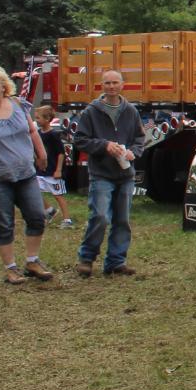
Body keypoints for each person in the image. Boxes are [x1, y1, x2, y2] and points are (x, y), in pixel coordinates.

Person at [0, 66, 52, 284]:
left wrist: (41, 152)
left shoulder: (18, 105)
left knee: (37, 216)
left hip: (25, 174)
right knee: (4, 223)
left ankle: (32, 261)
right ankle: (11, 269)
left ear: (3, 86)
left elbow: (32, 131)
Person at [74, 68, 145, 278]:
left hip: (125, 174)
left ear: (122, 85)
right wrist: (104, 146)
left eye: (115, 82)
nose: (111, 86)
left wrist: (133, 152)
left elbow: (140, 138)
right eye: (107, 83)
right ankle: (86, 258)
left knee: (122, 220)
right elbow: (80, 140)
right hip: (101, 173)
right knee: (100, 217)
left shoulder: (130, 111)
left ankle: (116, 262)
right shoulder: (91, 112)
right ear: (101, 85)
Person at [33, 104, 73, 228]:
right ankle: (50, 211)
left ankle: (67, 219)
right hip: (41, 170)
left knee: (58, 195)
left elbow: (61, 153)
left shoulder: (54, 135)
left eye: (38, 118)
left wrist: (58, 170)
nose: (36, 120)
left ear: (47, 119)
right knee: (34, 191)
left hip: (53, 170)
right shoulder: (38, 133)